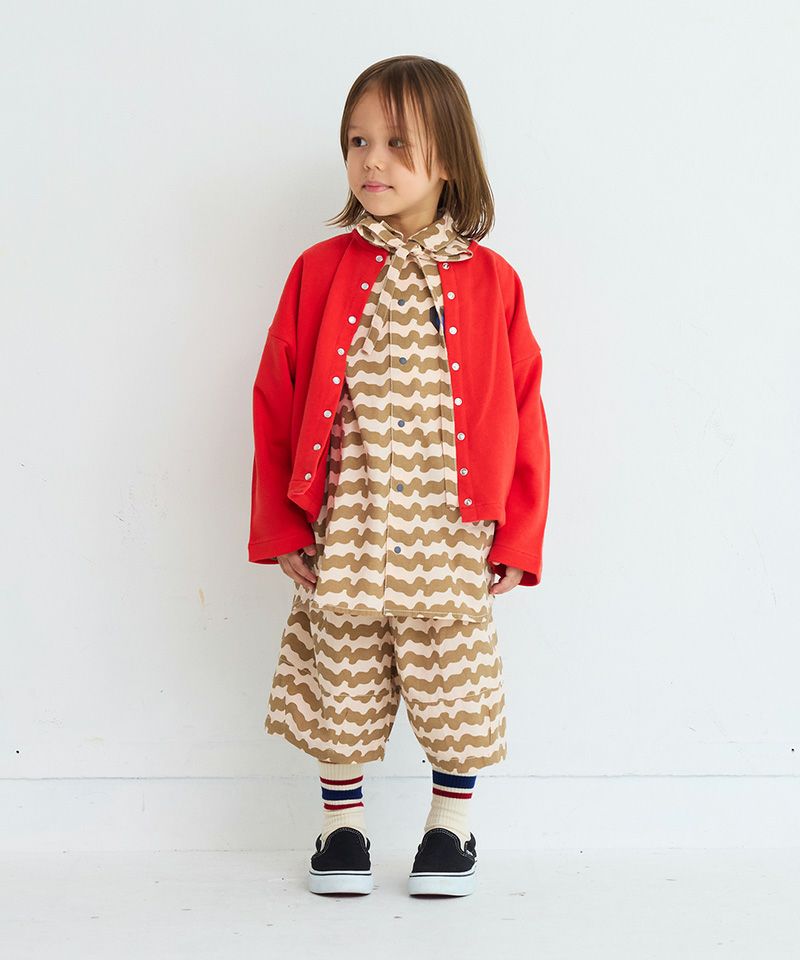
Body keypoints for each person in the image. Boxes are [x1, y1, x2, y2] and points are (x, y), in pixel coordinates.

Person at [248, 55, 550, 897]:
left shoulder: (493, 281)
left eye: (396, 142)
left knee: (456, 681)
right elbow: (276, 400)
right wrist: (282, 523)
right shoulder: (319, 270)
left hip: (452, 530)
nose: (371, 160)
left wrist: (519, 535)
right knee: (339, 674)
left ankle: (449, 828)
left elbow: (525, 410)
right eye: (357, 142)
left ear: (448, 156)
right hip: (346, 523)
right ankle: (340, 829)